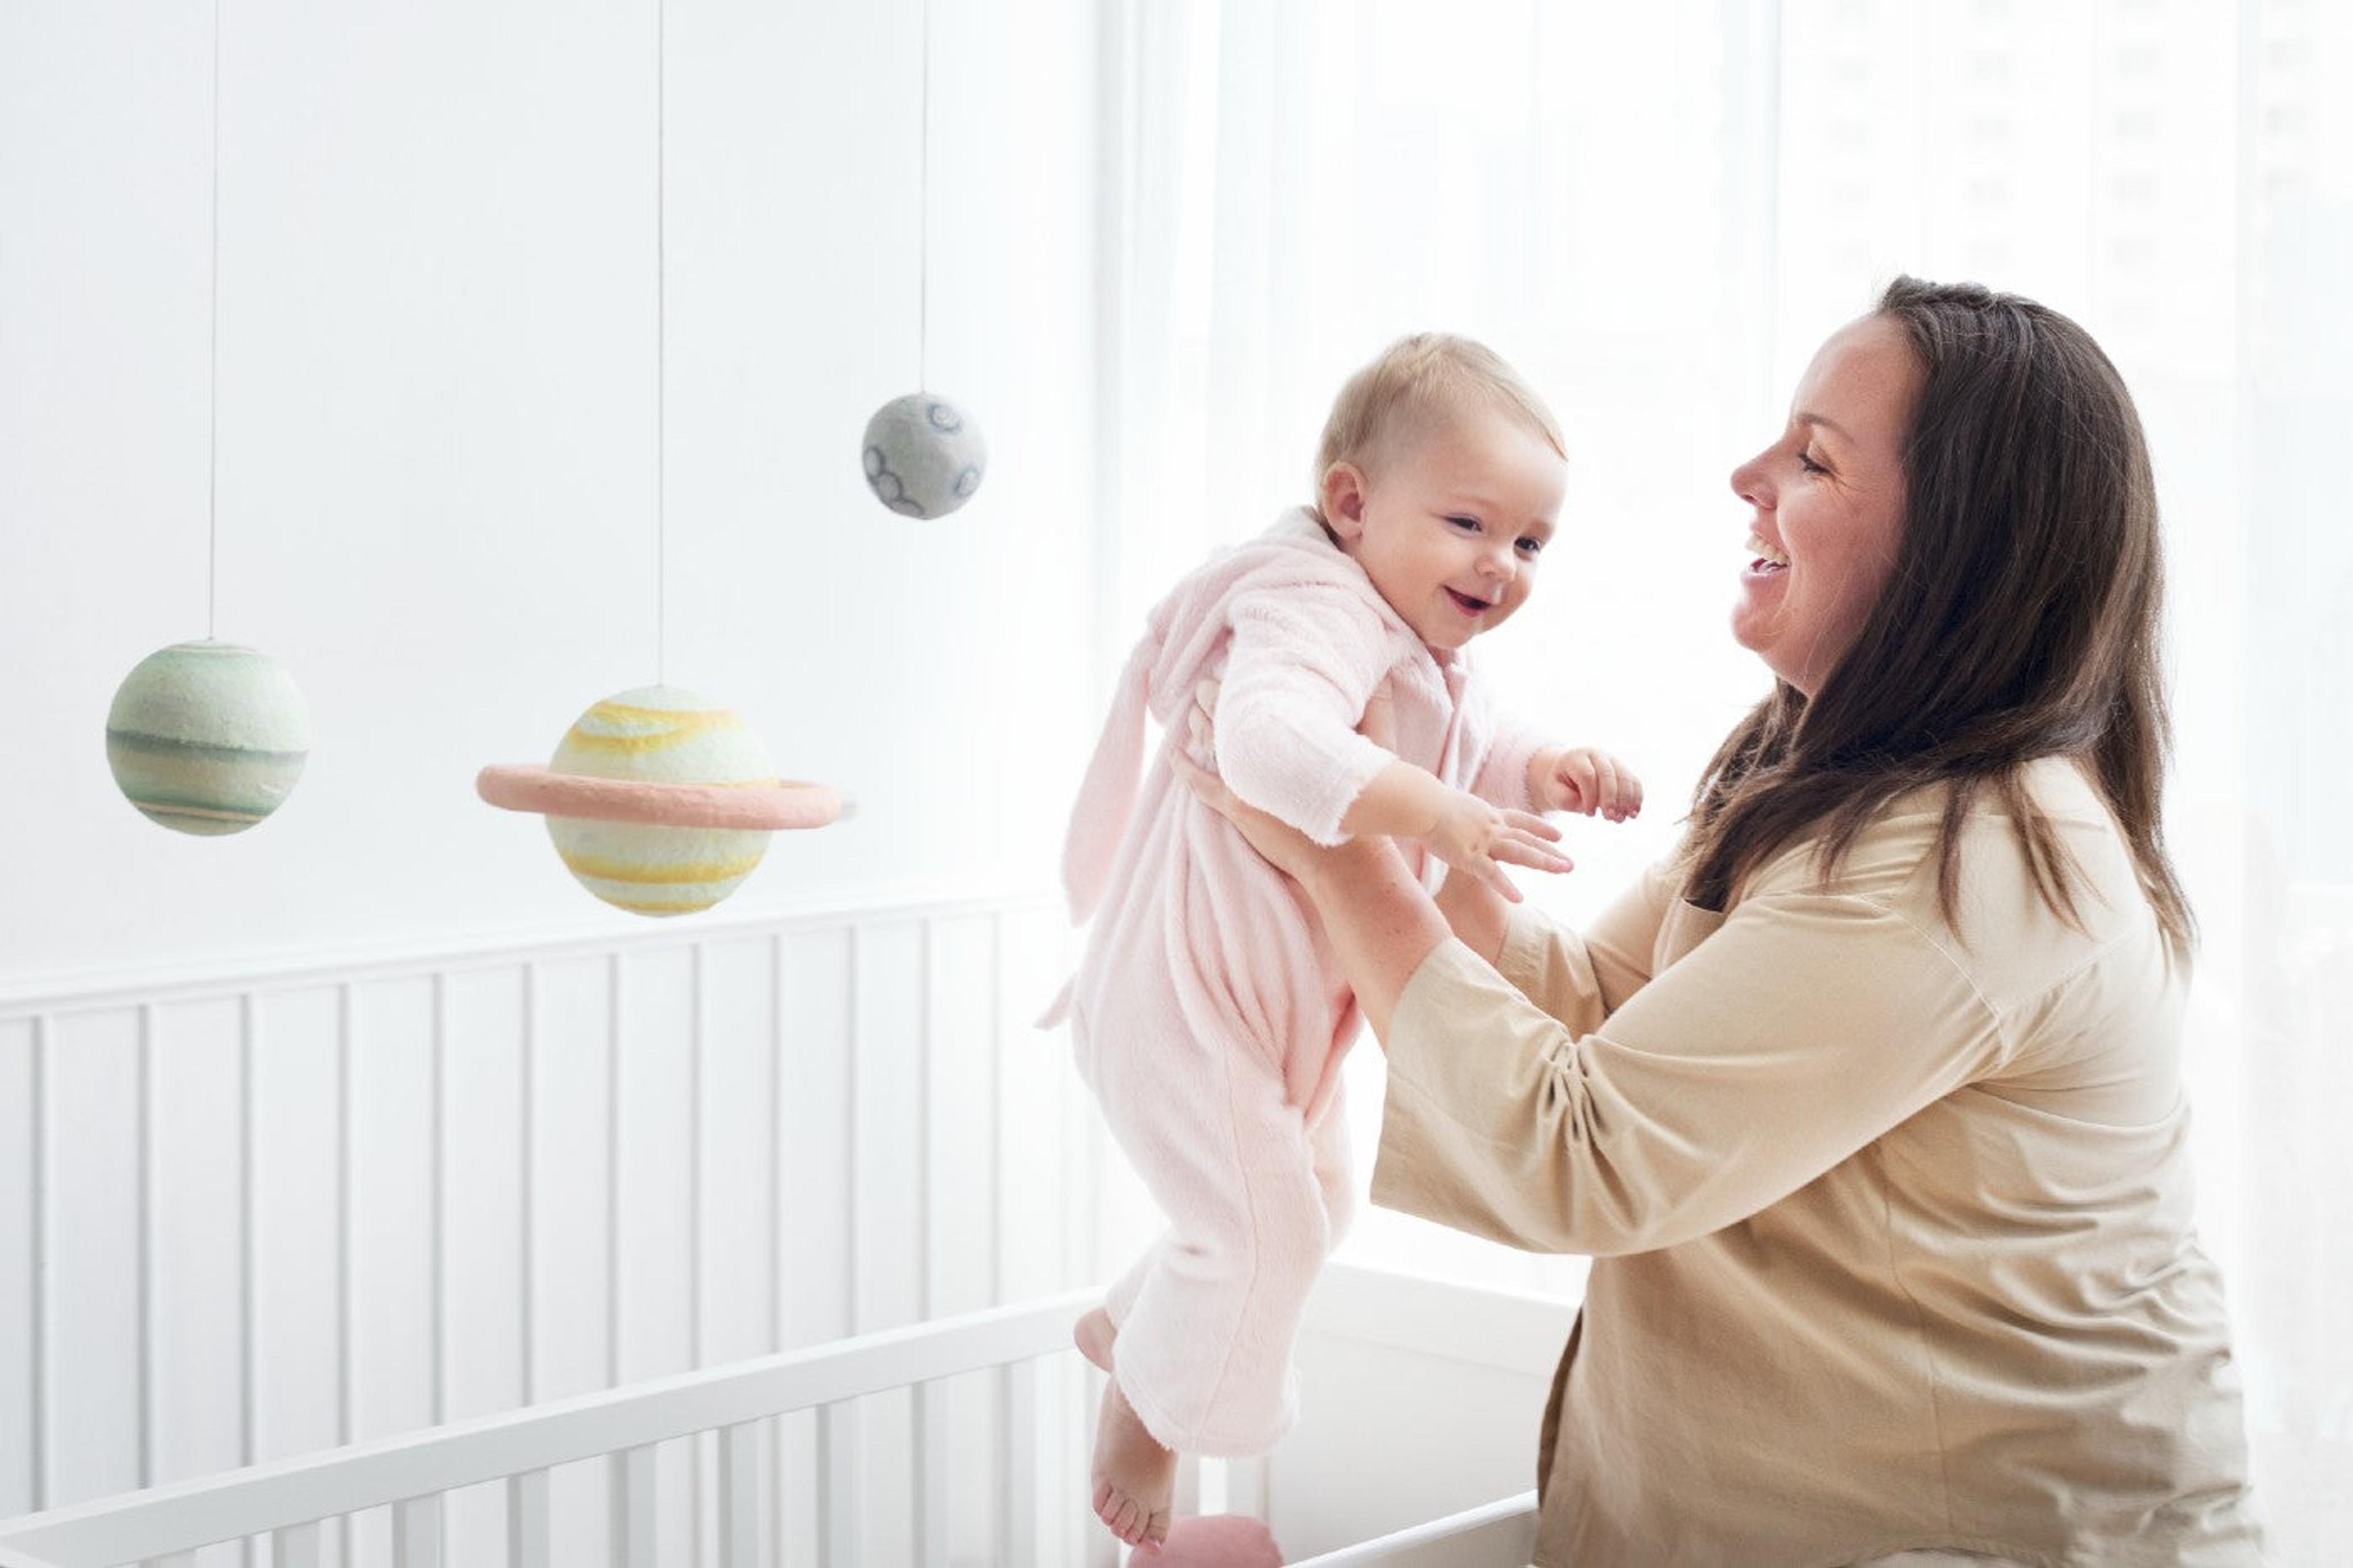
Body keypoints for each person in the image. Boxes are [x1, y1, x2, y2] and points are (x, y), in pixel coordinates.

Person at [1176, 278, 2264, 1564]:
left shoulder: (1976, 859)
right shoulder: (1813, 770)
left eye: (1810, 457)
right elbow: (1596, 1000)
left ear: (1958, 543)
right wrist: (1405, 810)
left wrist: (1335, 846)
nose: (1748, 474)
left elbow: (1577, 1149)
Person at [1047, 334, 1643, 1550]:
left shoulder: (1415, 640)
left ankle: (1133, 1320)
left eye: (1531, 542)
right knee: (1263, 1222)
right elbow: (1267, 742)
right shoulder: (1307, 603)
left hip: (1259, 1017)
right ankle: (1145, 1416)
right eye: (1472, 523)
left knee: (1313, 1198)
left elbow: (1465, 732)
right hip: (1179, 999)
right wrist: (1436, 811)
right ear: (1352, 503)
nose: (1504, 564)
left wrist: (1542, 765)